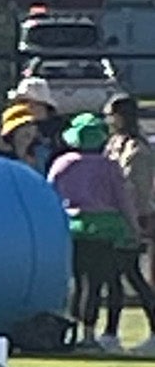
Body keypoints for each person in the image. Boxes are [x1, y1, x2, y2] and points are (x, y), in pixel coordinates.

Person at [48, 114, 155, 351]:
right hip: (105, 230)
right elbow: (123, 200)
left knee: (77, 281)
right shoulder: (109, 166)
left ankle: (72, 331)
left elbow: (48, 193)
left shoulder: (63, 163)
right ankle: (89, 334)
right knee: (96, 284)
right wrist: (134, 228)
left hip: (73, 228)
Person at [105, 94, 155, 290]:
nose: (108, 120)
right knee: (118, 273)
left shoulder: (136, 147)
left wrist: (135, 219)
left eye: (111, 115)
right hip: (116, 214)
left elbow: (136, 185)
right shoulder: (114, 142)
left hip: (135, 215)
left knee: (129, 271)